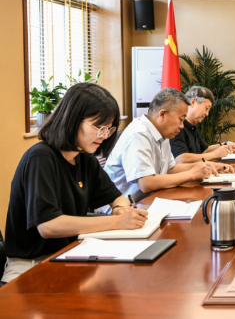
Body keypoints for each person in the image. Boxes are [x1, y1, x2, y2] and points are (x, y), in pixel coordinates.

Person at [3, 83, 148, 283]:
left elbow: (118, 198)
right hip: (32, 265)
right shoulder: (41, 157)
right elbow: (48, 226)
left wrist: (120, 210)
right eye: (98, 127)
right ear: (72, 119)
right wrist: (117, 221)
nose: (104, 135)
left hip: (69, 255)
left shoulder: (85, 159)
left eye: (108, 128)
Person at [104, 88, 234, 206]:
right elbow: (146, 183)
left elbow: (170, 169)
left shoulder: (162, 133)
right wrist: (191, 174)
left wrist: (207, 165)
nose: (182, 126)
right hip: (120, 211)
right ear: (162, 115)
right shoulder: (139, 134)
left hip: (148, 202)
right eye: (181, 119)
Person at [170, 86, 235, 163]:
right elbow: (181, 159)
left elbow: (205, 150)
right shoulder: (177, 126)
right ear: (193, 102)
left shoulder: (192, 127)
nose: (207, 114)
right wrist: (214, 154)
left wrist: (226, 144)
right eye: (206, 108)